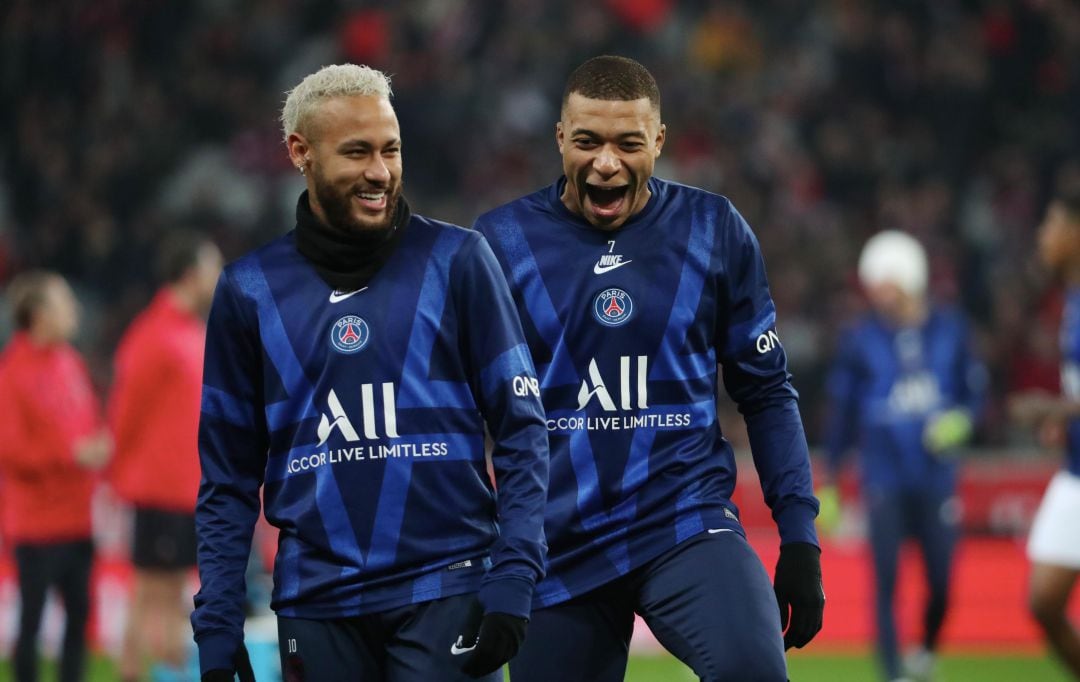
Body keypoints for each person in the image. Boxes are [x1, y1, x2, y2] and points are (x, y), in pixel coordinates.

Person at [190, 63, 549, 682]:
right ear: (301, 152)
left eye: (391, 150)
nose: (380, 172)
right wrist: (219, 625)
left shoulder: (459, 261)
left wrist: (515, 574)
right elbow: (227, 479)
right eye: (357, 152)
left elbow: (522, 430)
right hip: (317, 604)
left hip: (448, 586)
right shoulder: (249, 291)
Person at [473, 55, 824, 682]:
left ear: (658, 142)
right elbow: (463, 414)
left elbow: (766, 392)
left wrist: (798, 534)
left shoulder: (713, 229)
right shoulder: (498, 244)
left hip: (685, 523)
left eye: (627, 143)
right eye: (587, 141)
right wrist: (480, 555)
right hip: (557, 542)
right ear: (560, 138)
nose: (606, 162)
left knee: (754, 672)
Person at [820, 230, 986, 682]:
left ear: (910, 280)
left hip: (935, 478)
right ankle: (893, 675)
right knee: (886, 581)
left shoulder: (950, 329)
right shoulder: (859, 339)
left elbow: (975, 395)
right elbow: (842, 416)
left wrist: (962, 421)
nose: (878, 295)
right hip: (883, 478)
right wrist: (830, 483)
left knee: (941, 583)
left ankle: (927, 650)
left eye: (885, 284)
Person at [108, 232, 223, 682]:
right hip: (157, 488)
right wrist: (121, 474)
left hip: (187, 486)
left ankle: (169, 672)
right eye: (212, 269)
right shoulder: (153, 334)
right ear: (191, 274)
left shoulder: (191, 332)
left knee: (176, 592)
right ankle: (132, 674)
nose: (218, 279)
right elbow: (125, 411)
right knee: (150, 592)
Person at [0, 270, 111, 682]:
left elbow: (86, 422)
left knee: (79, 617)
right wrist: (70, 454)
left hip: (77, 517)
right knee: (30, 622)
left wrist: (99, 444)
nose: (74, 311)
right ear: (39, 313)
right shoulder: (12, 373)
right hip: (35, 524)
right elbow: (10, 452)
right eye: (64, 303)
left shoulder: (70, 361)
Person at [1009, 186, 1080, 677]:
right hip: (1075, 472)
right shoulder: (1069, 298)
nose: (1043, 235)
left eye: (1052, 224)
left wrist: (1051, 407)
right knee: (1043, 601)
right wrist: (1065, 418)